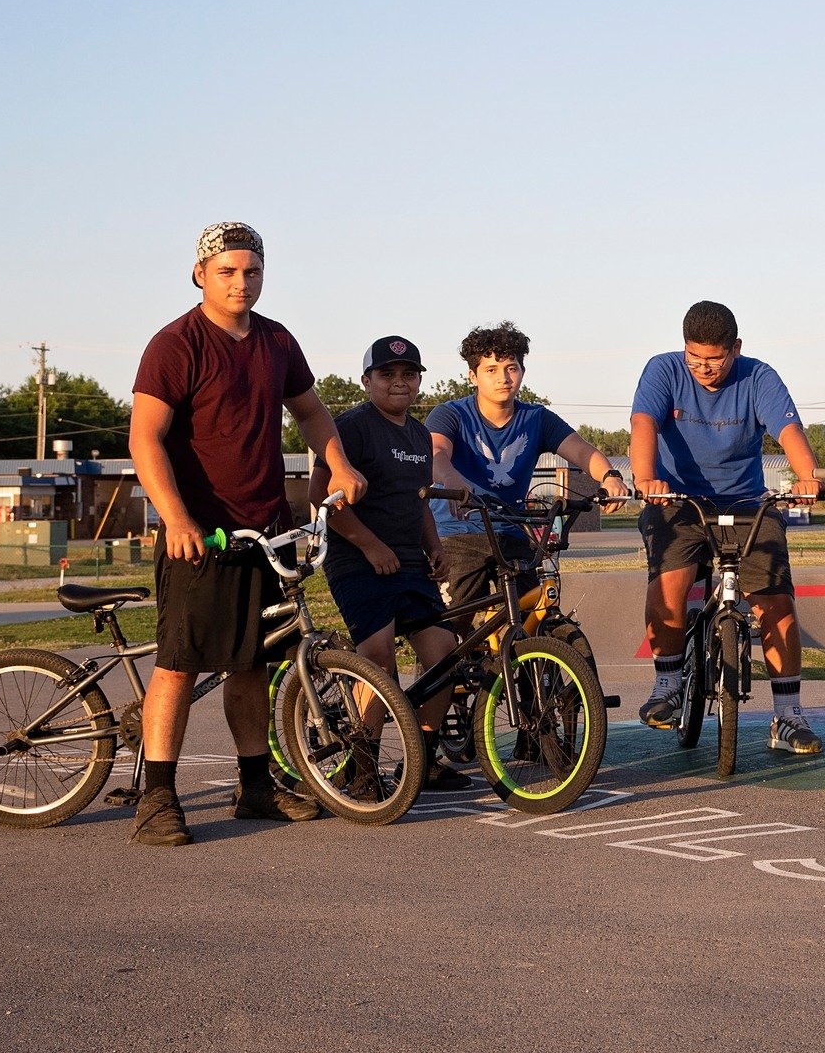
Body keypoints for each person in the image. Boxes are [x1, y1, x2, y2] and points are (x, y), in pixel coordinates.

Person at [126, 222, 366, 846]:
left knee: (253, 663)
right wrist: (175, 518)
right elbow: (145, 437)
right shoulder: (176, 344)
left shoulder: (277, 342)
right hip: (199, 537)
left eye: (252, 271)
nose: (242, 282)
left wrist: (338, 462)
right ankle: (156, 797)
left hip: (266, 529)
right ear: (201, 273)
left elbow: (311, 412)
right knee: (178, 665)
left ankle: (255, 785)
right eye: (228, 271)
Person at [630, 301, 825, 755]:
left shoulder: (759, 377)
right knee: (670, 585)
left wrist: (807, 477)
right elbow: (642, 423)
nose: (703, 369)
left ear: (735, 348)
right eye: (694, 358)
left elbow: (789, 431)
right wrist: (645, 479)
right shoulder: (663, 371)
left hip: (744, 504)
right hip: (676, 500)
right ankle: (667, 684)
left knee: (775, 603)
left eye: (714, 359)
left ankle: (788, 715)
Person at [310, 336, 472, 791]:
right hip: (357, 562)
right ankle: (362, 768)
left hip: (409, 564)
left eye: (409, 374)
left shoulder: (420, 435)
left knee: (445, 656)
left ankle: (421, 758)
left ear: (420, 380)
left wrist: (434, 546)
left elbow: (418, 502)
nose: (399, 383)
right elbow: (320, 498)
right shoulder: (350, 428)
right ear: (367, 381)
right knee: (378, 657)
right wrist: (369, 545)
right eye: (387, 375)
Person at [426, 322, 627, 610]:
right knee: (453, 625)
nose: (503, 378)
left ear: (522, 371)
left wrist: (610, 476)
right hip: (457, 531)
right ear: (473, 376)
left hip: (510, 530)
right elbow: (436, 452)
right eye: (491, 370)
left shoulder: (537, 418)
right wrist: (452, 479)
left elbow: (582, 451)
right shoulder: (451, 414)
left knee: (534, 614)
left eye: (511, 368)